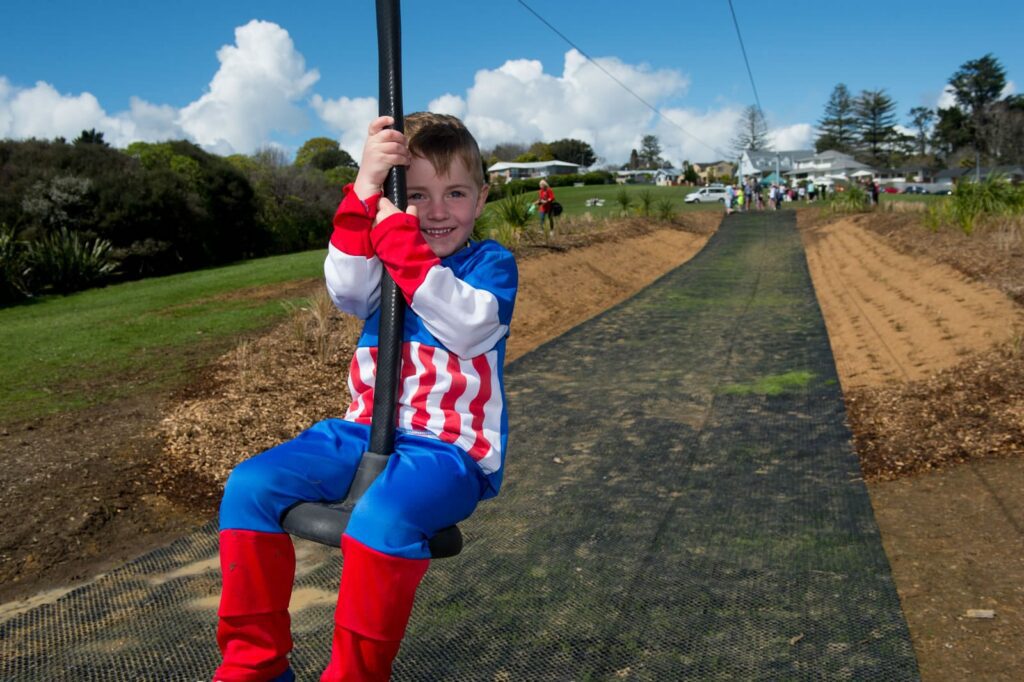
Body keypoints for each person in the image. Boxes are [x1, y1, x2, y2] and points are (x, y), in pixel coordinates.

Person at [213, 112, 518, 682]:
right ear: (396, 198)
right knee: (249, 486)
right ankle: (253, 666)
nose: (436, 211)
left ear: (480, 200)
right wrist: (364, 190)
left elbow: (469, 327)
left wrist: (401, 241)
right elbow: (348, 289)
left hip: (448, 449)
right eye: (417, 195)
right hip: (360, 429)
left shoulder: (489, 265)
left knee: (382, 520)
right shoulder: (386, 260)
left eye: (455, 193)